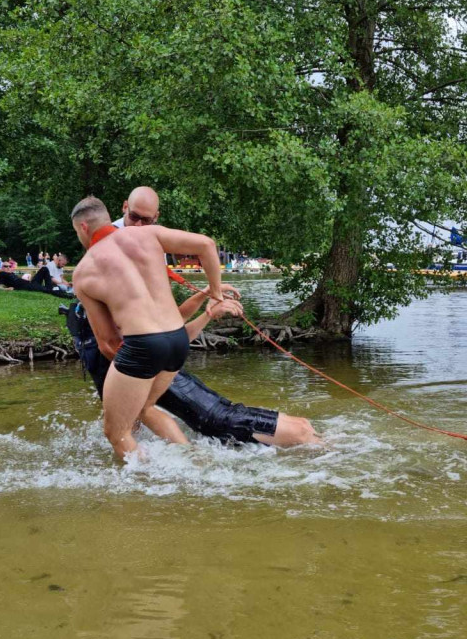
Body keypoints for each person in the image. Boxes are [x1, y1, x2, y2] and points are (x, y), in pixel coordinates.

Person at [108, 186, 319, 446]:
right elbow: (164, 328)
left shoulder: (149, 244)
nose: (139, 226)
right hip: (142, 357)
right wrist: (212, 297)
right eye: (135, 218)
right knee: (214, 416)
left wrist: (209, 298)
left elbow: (171, 325)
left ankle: (307, 438)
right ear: (124, 208)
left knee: (225, 417)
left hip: (154, 358)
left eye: (147, 221)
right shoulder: (112, 251)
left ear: (156, 218)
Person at [71, 196, 234, 460]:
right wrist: (215, 292)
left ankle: (146, 489)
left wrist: (137, 371)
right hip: (178, 341)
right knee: (145, 408)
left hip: (142, 346)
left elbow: (108, 343)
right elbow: (206, 244)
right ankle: (192, 461)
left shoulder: (83, 271)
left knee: (117, 433)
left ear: (83, 228)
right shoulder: (149, 235)